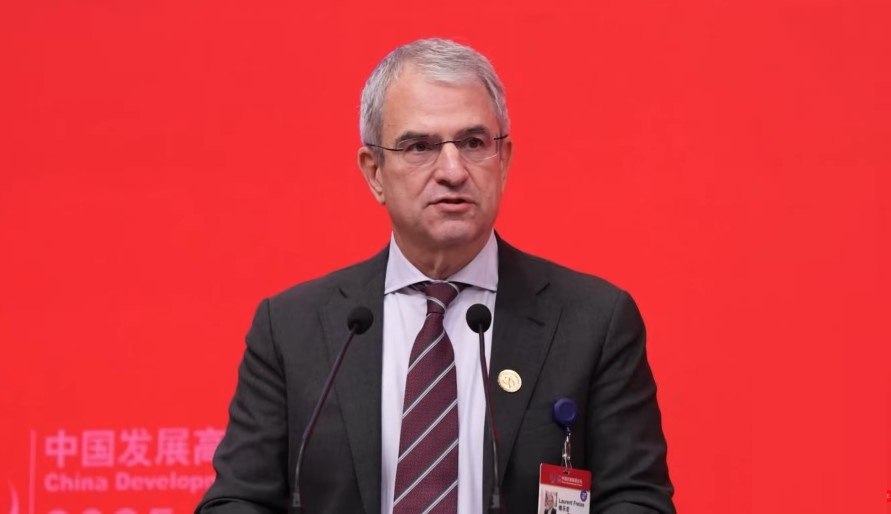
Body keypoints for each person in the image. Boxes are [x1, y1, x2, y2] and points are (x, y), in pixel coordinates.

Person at [197, 38, 674, 514]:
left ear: (503, 161)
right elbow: (237, 500)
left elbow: (637, 500)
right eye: (420, 146)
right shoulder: (292, 328)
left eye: (473, 143)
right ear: (375, 172)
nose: (452, 170)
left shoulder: (592, 322)